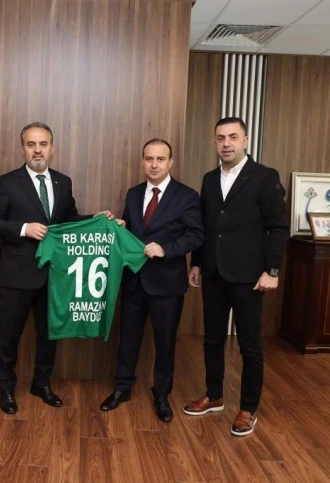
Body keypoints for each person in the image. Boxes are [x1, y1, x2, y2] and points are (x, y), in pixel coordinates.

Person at [0, 122, 114, 414]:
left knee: (49, 333)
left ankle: (41, 383)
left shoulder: (63, 182)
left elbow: (69, 221)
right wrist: (24, 228)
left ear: (52, 148)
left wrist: (97, 219)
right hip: (17, 274)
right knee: (9, 335)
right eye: (31, 144)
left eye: (43, 144)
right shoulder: (7, 182)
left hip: (55, 275)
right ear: (23, 149)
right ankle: (6, 388)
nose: (37, 150)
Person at [184, 117, 288, 436]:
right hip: (214, 273)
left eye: (232, 137)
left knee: (249, 346)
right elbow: (206, 227)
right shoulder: (209, 179)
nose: (226, 143)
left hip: (249, 276)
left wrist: (272, 270)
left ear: (245, 141)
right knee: (212, 339)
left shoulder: (265, 177)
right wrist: (197, 263)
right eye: (220, 138)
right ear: (215, 142)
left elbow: (278, 227)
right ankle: (214, 395)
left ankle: (247, 408)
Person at [99, 139, 204, 422]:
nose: (154, 164)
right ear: (143, 161)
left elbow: (196, 235)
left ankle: (162, 394)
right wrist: (121, 225)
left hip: (167, 283)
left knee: (165, 342)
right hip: (134, 280)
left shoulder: (187, 196)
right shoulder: (134, 194)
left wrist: (166, 249)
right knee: (128, 338)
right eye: (149, 159)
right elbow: (132, 231)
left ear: (171, 162)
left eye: (160, 159)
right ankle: (122, 388)